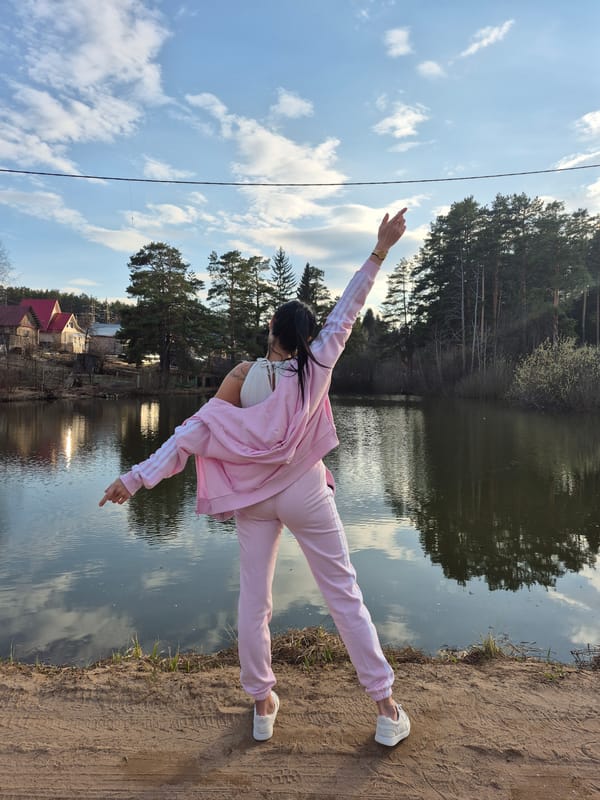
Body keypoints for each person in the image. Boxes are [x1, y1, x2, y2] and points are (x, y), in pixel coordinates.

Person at [100, 208, 410, 746]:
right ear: (308, 337)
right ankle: (385, 709)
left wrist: (135, 478)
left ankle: (263, 703)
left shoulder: (241, 376)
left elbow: (193, 433)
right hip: (307, 493)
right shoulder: (315, 368)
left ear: (270, 331)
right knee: (344, 595)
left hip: (253, 500)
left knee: (254, 601)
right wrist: (379, 250)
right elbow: (349, 311)